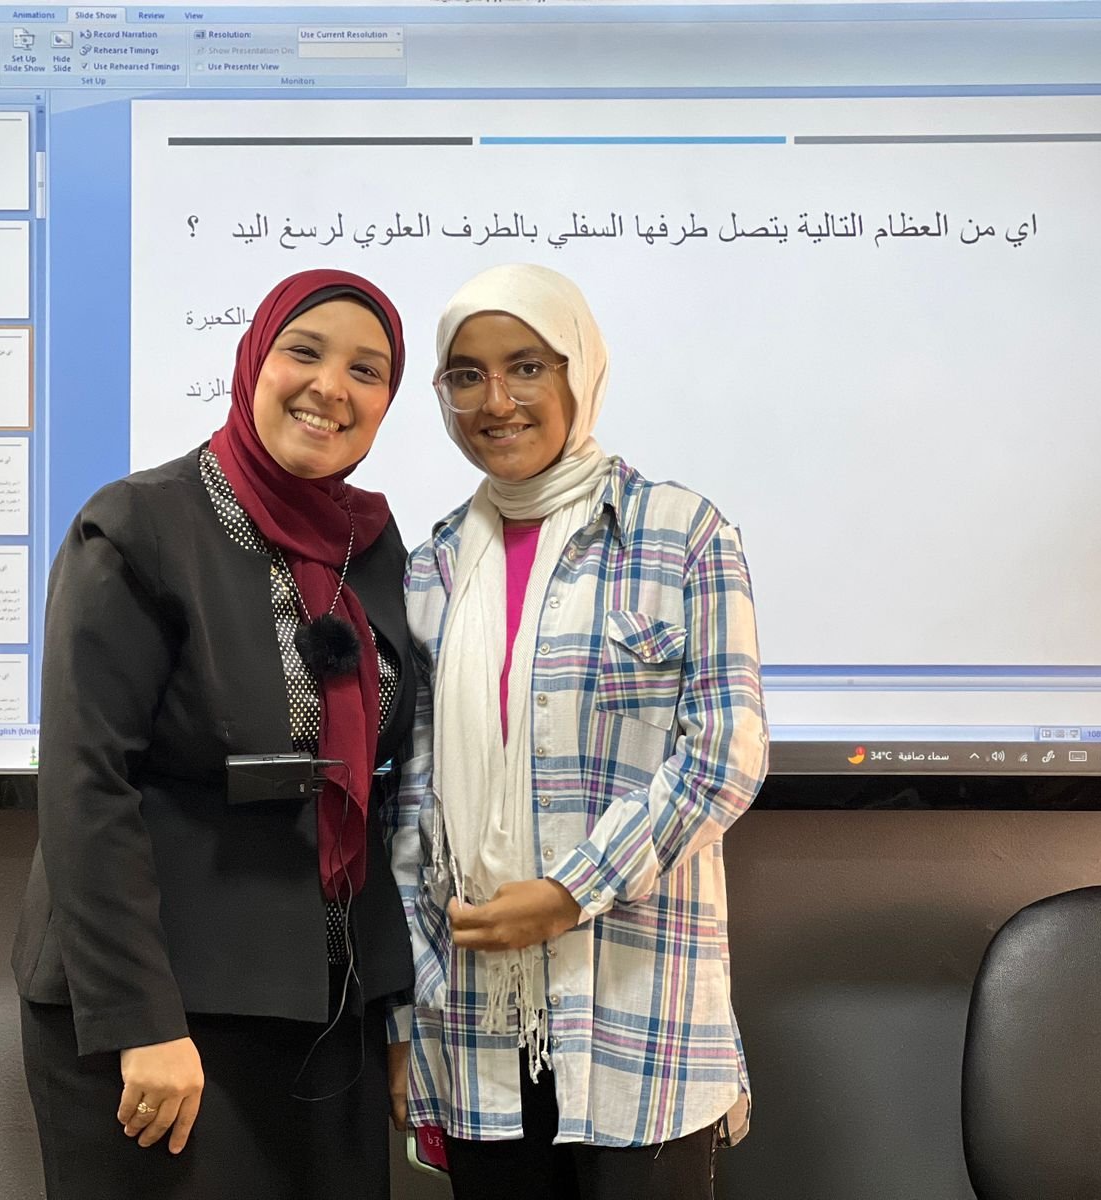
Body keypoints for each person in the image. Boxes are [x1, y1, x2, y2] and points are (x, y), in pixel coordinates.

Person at [13, 270, 417, 1200]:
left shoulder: (373, 545)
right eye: (304, 352)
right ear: (254, 362)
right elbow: (86, 785)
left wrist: (392, 1012)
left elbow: (383, 788)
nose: (332, 388)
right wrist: (140, 1021)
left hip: (325, 1009)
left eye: (368, 370)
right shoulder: (138, 527)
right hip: (169, 1019)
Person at [387, 263, 769, 1200]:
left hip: (638, 1019)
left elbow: (725, 756)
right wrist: (405, 1023)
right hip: (473, 1023)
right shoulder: (435, 563)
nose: (498, 400)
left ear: (579, 372)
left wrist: (569, 891)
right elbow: (414, 808)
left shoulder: (678, 533)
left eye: (526, 366)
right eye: (465, 376)